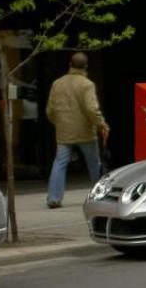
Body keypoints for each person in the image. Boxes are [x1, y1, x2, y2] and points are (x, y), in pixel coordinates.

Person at [45, 52, 109, 208]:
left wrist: (59, 123)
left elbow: (50, 110)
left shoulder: (57, 84)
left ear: (69, 65)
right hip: (85, 132)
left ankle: (54, 198)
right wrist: (101, 124)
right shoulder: (87, 84)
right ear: (86, 67)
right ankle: (98, 196)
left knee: (60, 163)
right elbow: (92, 109)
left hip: (64, 132)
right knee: (94, 164)